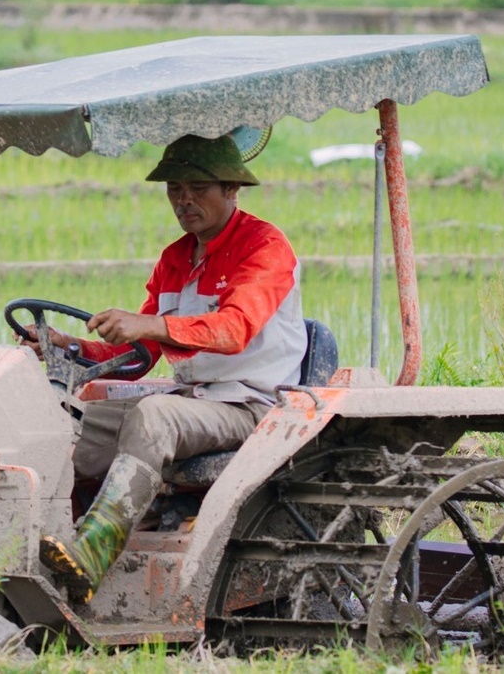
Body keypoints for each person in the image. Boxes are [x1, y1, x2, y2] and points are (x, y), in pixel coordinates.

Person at [29, 132, 307, 606]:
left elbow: (234, 329)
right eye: (175, 189)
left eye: (198, 188)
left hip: (253, 406)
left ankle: (95, 550)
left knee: (155, 414)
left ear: (231, 189)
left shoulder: (265, 247)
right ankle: (45, 539)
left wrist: (152, 323)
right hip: (195, 402)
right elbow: (139, 355)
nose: (184, 200)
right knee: (69, 423)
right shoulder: (175, 259)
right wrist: (67, 345)